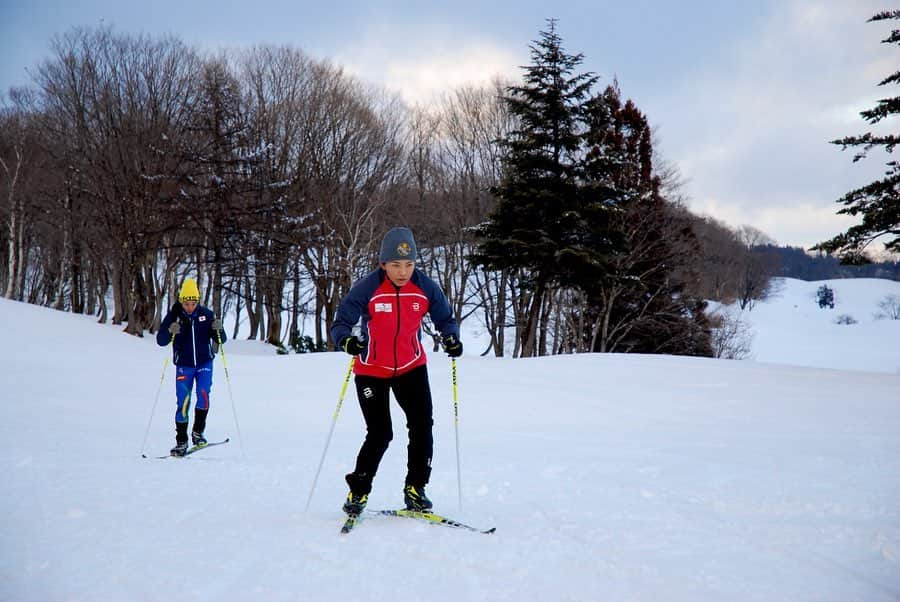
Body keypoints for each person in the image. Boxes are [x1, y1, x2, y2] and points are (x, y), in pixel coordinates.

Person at [331, 227, 463, 516]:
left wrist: (451, 336)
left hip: (411, 367)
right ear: (383, 264)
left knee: (421, 425)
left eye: (409, 264)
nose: (403, 272)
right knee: (380, 433)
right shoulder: (368, 288)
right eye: (395, 265)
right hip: (371, 370)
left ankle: (416, 489)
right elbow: (341, 323)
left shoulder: (425, 287)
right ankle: (358, 492)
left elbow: (445, 317)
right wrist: (347, 341)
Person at [156, 278, 227, 456]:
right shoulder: (175, 316)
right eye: (187, 303)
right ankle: (181, 441)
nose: (190, 307)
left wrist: (219, 329)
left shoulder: (206, 315)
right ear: (181, 301)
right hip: (184, 365)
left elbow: (221, 340)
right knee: (183, 402)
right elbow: (161, 340)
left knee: (203, 395)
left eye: (193, 303)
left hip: (204, 363)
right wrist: (170, 331)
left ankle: (198, 433)